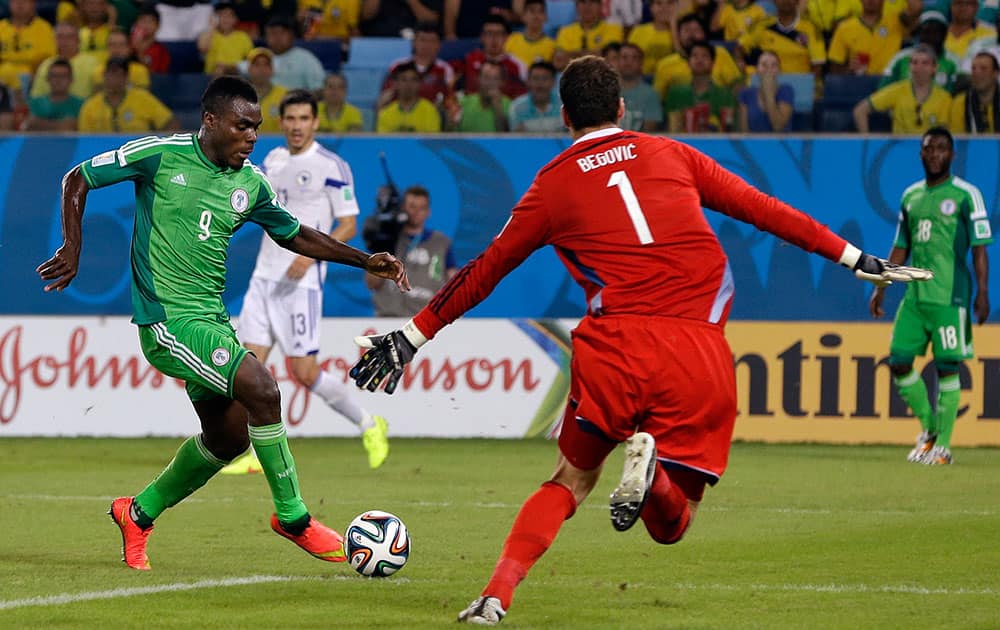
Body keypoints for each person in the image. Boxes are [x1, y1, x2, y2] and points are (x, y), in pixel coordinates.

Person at [348, 55, 925, 626]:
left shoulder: (551, 185)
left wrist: (412, 337)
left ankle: (495, 596)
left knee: (569, 481)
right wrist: (855, 258)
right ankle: (657, 480)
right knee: (673, 524)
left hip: (614, 349)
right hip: (697, 350)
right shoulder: (673, 154)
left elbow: (486, 270)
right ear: (624, 108)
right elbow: (765, 210)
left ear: (564, 117)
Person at [36, 75, 409, 571]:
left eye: (256, 128)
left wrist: (365, 260)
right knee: (263, 387)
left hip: (211, 321)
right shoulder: (161, 154)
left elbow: (294, 234)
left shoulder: (250, 182)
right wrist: (73, 245)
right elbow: (77, 176)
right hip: (166, 321)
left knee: (230, 438)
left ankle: (138, 512)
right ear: (210, 121)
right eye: (242, 126)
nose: (252, 137)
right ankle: (294, 518)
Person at [224, 89, 391, 475]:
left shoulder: (332, 166)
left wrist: (308, 253)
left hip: (301, 285)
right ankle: (251, 452)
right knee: (248, 371)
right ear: (281, 122)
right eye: (290, 119)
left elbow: (348, 223)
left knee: (304, 372)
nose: (297, 126)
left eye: (304, 119)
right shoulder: (272, 160)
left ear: (315, 122)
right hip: (263, 279)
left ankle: (369, 423)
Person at [869, 127, 992, 466]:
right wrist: (881, 285)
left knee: (948, 366)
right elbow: (901, 246)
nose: (935, 154)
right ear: (921, 154)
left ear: (952, 155)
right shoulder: (911, 197)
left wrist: (983, 291)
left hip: (950, 296)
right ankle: (930, 431)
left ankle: (943, 448)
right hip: (915, 296)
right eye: (929, 148)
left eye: (941, 148)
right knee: (898, 361)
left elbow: (980, 248)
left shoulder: (968, 195)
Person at [366, 184, 456, 317]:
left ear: (428, 212)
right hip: (388, 318)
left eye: (422, 208)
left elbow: (453, 284)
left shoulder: (442, 243)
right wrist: (381, 247)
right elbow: (372, 283)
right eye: (412, 207)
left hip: (426, 320)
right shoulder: (388, 239)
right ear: (403, 208)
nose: (416, 212)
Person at [854, 44, 953, 133]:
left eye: (925, 63)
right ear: (909, 66)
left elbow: (943, 133)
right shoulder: (897, 90)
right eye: (914, 63)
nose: (919, 67)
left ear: (934, 68)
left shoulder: (945, 98)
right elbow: (860, 111)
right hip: (899, 149)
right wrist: (866, 140)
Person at [77, 57, 179, 132]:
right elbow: (84, 137)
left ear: (126, 77)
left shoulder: (143, 98)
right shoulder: (90, 106)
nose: (114, 79)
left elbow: (171, 123)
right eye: (111, 74)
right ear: (104, 76)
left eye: (119, 74)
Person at [665, 41, 738, 132]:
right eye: (695, 56)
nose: (699, 60)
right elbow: (672, 131)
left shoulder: (725, 95)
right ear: (688, 63)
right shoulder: (675, 93)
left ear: (713, 63)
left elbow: (729, 130)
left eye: (704, 56)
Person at [827, 0, 909, 76]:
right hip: (859, 85)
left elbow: (916, 8)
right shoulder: (844, 28)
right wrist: (849, 69)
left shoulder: (897, 22)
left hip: (888, 84)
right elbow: (834, 69)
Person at [376, 61, 442, 133]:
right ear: (395, 84)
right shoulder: (386, 114)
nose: (408, 84)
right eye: (404, 79)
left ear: (419, 84)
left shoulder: (430, 111)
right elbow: (384, 142)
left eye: (413, 79)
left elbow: (431, 141)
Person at [739, 50, 794, 132]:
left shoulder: (786, 90)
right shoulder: (746, 93)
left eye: (774, 65)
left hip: (780, 144)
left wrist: (769, 94)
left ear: (779, 71)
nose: (769, 69)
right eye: (764, 65)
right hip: (754, 143)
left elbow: (778, 127)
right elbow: (744, 132)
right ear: (757, 70)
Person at [25, 57, 83, 131]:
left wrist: (40, 123)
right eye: (54, 76)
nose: (58, 80)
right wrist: (62, 125)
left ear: (71, 79)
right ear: (48, 79)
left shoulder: (81, 105)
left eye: (63, 76)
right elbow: (27, 126)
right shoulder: (34, 104)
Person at [950, 50, 1000, 132]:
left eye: (983, 69)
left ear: (996, 73)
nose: (977, 73)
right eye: (973, 69)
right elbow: (959, 139)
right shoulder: (959, 103)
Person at [508, 60, 564, 132]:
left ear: (553, 82)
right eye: (535, 78)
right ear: (528, 81)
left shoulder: (564, 105)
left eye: (545, 79)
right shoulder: (517, 107)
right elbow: (517, 138)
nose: (540, 84)